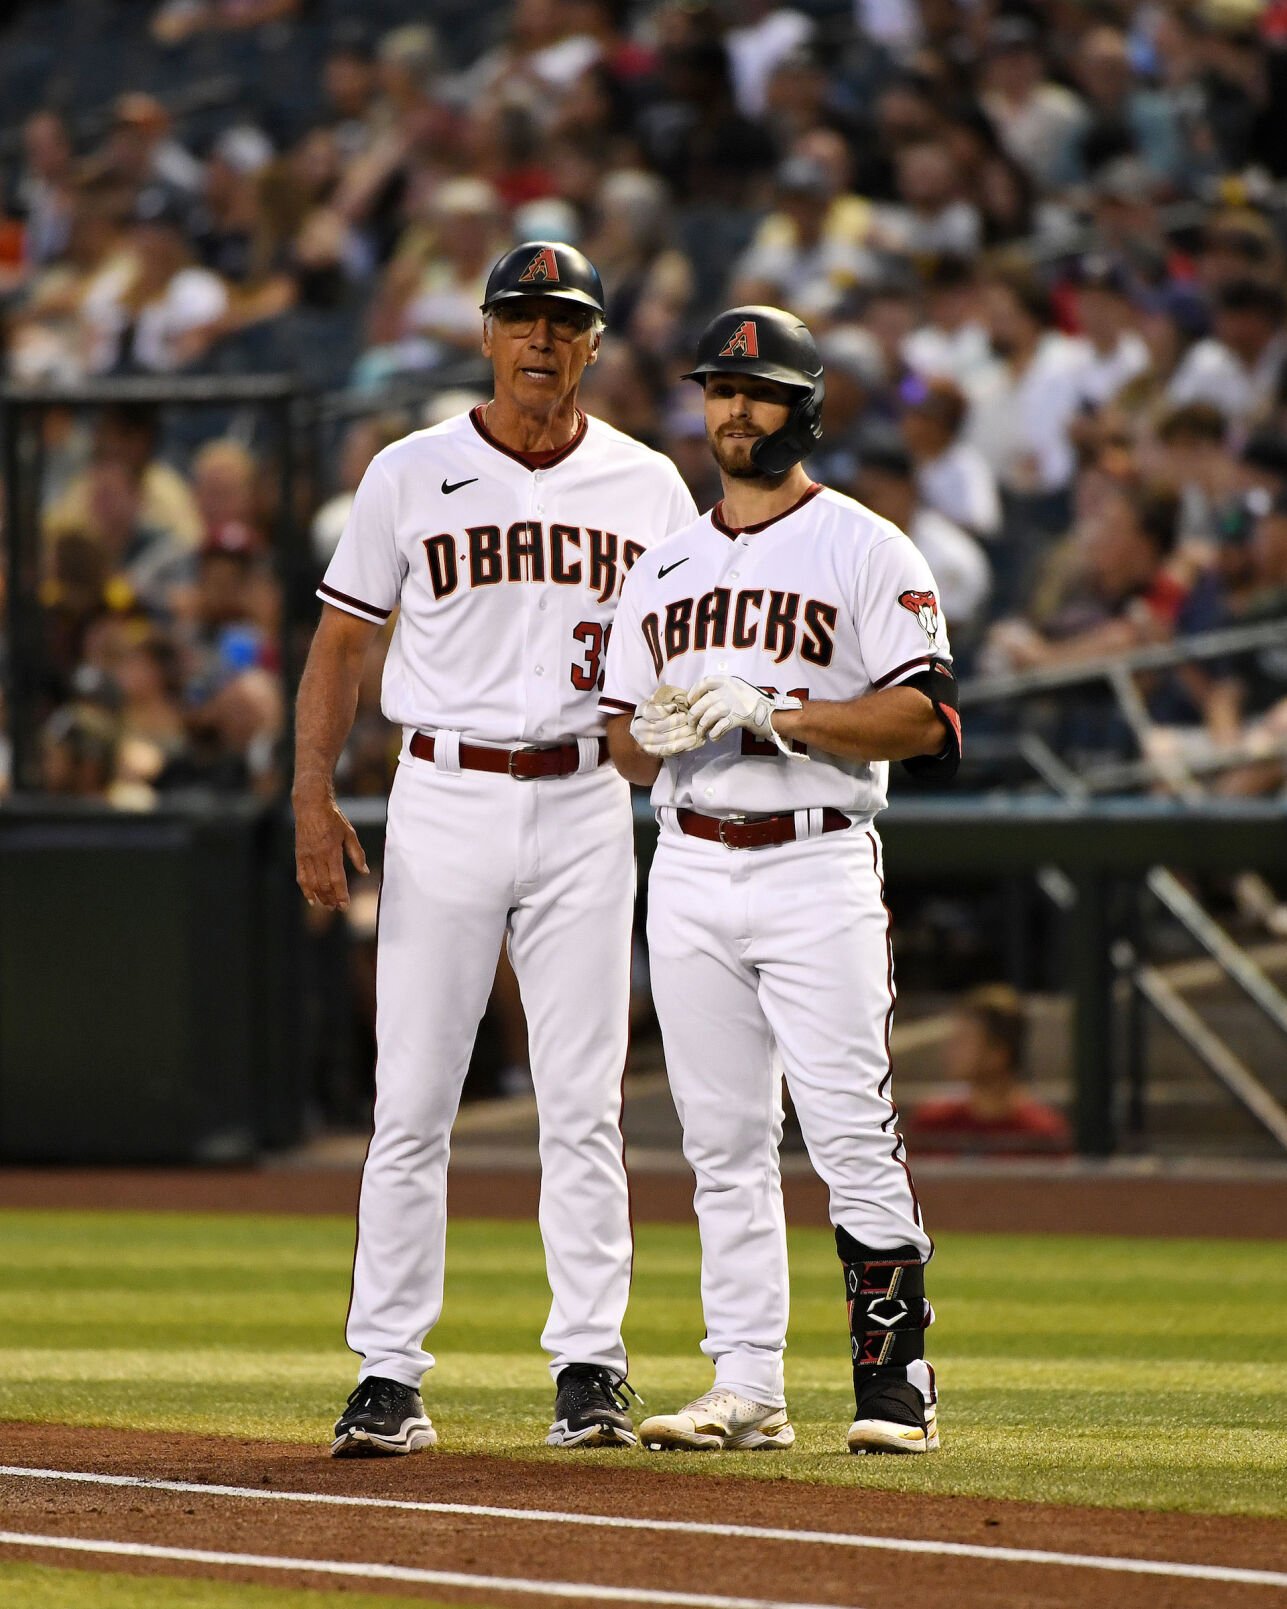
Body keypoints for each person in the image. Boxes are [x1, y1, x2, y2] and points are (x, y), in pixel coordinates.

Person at [293, 241, 696, 1457]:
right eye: (520, 316)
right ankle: (388, 1370)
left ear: (592, 343)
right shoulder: (409, 473)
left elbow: (681, 651)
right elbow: (340, 647)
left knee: (582, 1102)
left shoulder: (648, 485)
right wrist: (312, 789)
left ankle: (590, 1364)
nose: (540, 338)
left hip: (585, 801)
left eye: (563, 321)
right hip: (444, 794)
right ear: (483, 334)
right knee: (412, 1095)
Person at [601, 305, 960, 1457]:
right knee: (721, 1142)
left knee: (850, 1125)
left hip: (815, 857)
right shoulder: (665, 563)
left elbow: (928, 717)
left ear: (805, 407)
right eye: (720, 389)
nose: (735, 409)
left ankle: (896, 1380)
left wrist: (781, 711)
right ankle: (746, 1383)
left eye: (757, 391)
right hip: (695, 858)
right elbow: (617, 736)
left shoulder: (867, 546)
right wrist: (649, 730)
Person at [906, 985, 1071, 1156]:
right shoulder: (931, 1125)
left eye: (965, 1041)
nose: (951, 1050)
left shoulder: (1041, 1133)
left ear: (999, 1053)